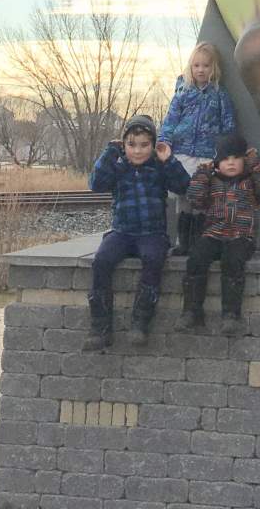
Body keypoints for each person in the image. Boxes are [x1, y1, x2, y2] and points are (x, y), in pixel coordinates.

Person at [84, 113, 191, 350]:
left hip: (152, 233)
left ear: (153, 146)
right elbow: (95, 184)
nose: (138, 151)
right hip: (122, 232)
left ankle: (140, 323)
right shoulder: (118, 166)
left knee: (153, 259)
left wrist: (169, 160)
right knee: (101, 261)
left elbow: (184, 186)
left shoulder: (159, 167)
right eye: (132, 145)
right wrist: (109, 153)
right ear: (124, 145)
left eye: (144, 145)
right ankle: (100, 327)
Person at [178, 132, 260, 334]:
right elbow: (195, 198)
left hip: (241, 236)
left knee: (233, 261)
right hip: (214, 234)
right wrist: (203, 173)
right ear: (217, 162)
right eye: (225, 159)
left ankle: (231, 314)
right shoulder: (211, 181)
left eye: (236, 158)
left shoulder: (250, 183)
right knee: (196, 258)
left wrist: (255, 161)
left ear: (244, 160)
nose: (230, 163)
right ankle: (191, 312)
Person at [159, 42, 236, 255]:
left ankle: (199, 242)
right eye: (196, 65)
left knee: (202, 197)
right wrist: (164, 141)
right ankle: (183, 242)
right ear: (190, 67)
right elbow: (171, 119)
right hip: (182, 152)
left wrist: (227, 150)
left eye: (206, 66)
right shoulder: (183, 92)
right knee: (183, 196)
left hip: (206, 155)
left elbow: (228, 125)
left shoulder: (220, 95)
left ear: (214, 68)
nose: (201, 70)